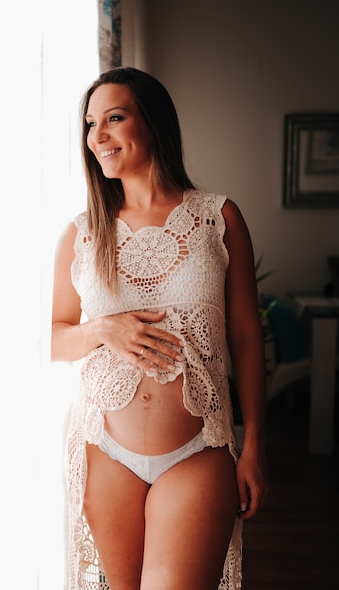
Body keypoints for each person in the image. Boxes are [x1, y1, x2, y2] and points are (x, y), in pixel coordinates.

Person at [51, 66, 268, 590]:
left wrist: (256, 440)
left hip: (197, 452)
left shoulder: (218, 217)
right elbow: (54, 338)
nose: (97, 136)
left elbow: (244, 335)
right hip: (105, 452)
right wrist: (104, 329)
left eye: (114, 118)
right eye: (90, 123)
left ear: (153, 123)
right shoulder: (82, 234)